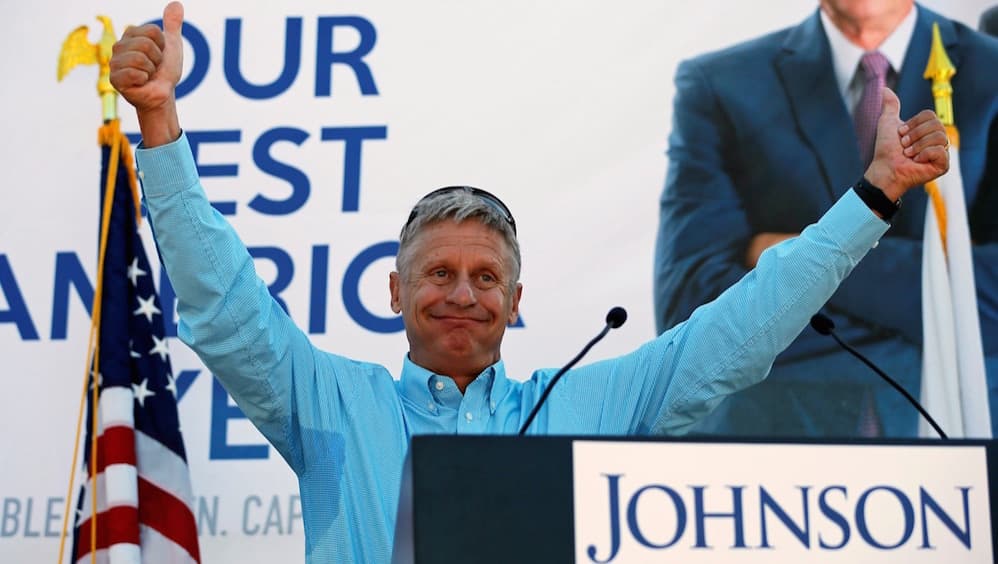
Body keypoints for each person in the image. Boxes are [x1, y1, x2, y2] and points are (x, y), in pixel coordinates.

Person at [111, 2, 948, 562]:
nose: (463, 294)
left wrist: (872, 197)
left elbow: (739, 330)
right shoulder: (329, 403)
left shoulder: (586, 411)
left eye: (486, 278)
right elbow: (226, 307)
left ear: (518, 304)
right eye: (438, 273)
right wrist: (159, 124)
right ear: (394, 293)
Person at [654, 0, 998, 439]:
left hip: (966, 438)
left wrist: (786, 253)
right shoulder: (720, 85)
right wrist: (932, 303)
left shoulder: (989, 71)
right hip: (770, 447)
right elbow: (692, 302)